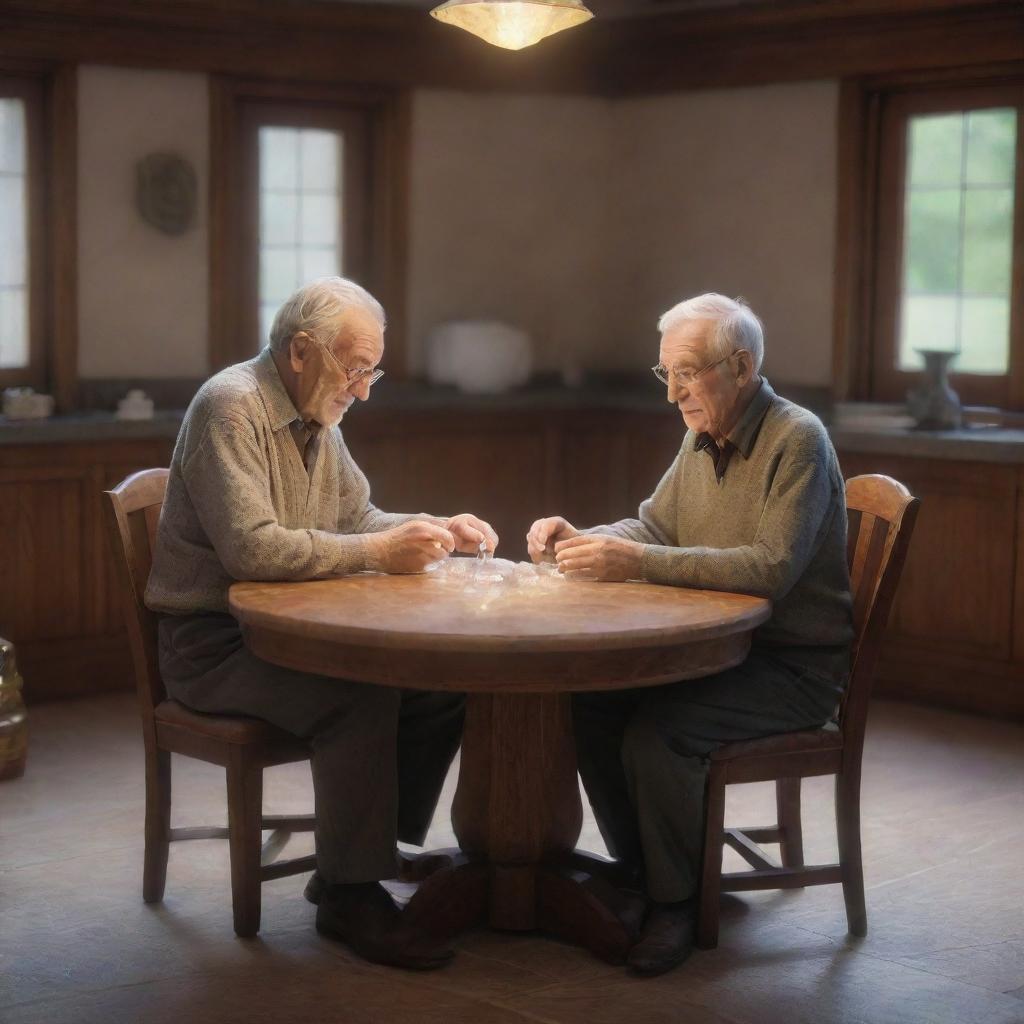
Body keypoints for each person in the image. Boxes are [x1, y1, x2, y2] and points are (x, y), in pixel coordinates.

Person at [146, 276, 498, 970]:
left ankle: (359, 856)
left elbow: (358, 518)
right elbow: (254, 550)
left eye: (373, 371)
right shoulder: (231, 407)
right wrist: (378, 552)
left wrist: (433, 527)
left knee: (440, 685)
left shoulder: (318, 414)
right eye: (355, 368)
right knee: (357, 696)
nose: (363, 389)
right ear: (302, 351)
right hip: (211, 644)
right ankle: (349, 899)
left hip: (277, 635)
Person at [526, 293, 853, 977]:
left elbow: (769, 570)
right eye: (665, 373)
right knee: (592, 703)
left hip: (790, 668)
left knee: (659, 732)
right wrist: (583, 539)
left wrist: (635, 562)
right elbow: (653, 527)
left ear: (741, 365)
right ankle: (645, 869)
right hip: (723, 652)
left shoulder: (798, 440)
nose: (674, 393)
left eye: (688, 372)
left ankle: (677, 903)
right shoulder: (703, 429)